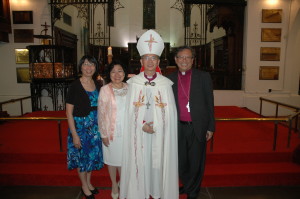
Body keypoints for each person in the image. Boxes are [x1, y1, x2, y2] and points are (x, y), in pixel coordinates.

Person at [119, 29, 179, 199]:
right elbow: (129, 111)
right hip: (140, 131)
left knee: (157, 162)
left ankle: (158, 191)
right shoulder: (133, 83)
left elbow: (171, 112)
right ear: (141, 60)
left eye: (154, 58)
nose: (150, 61)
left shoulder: (166, 84)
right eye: (147, 57)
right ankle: (139, 192)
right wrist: (142, 124)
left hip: (160, 132)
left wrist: (159, 124)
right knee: (141, 161)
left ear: (159, 61)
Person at [167, 46, 215, 199]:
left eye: (188, 57)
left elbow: (210, 103)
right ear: (175, 60)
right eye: (181, 57)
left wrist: (210, 126)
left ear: (193, 60)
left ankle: (193, 192)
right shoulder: (170, 79)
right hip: (177, 127)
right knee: (180, 161)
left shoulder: (203, 77)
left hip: (197, 126)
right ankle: (187, 185)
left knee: (196, 162)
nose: (184, 60)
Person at [66, 55, 104, 199]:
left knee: (91, 157)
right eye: (86, 64)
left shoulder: (98, 84)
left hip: (94, 127)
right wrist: (74, 135)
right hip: (81, 127)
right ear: (81, 67)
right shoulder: (75, 85)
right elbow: (68, 112)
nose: (89, 68)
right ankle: (83, 185)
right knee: (82, 158)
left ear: (95, 67)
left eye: (92, 65)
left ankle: (88, 182)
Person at [98, 60, 128, 199]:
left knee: (124, 160)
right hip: (111, 132)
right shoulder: (105, 89)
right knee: (112, 159)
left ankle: (123, 182)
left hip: (127, 132)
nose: (117, 74)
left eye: (120, 71)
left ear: (124, 72)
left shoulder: (130, 88)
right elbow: (101, 113)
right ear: (109, 74)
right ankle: (114, 185)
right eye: (113, 71)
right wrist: (103, 133)